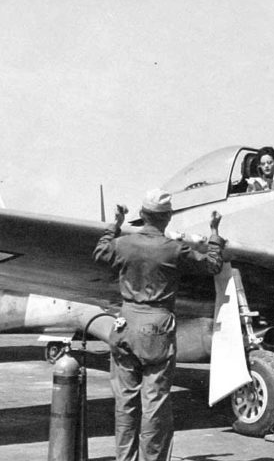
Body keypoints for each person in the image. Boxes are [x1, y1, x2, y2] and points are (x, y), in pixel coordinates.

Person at [93, 189, 225, 461]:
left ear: (142, 215)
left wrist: (116, 223)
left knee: (125, 403)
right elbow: (213, 264)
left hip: (125, 323)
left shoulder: (124, 243)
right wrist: (214, 232)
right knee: (154, 404)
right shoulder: (174, 249)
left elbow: (100, 253)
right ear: (167, 217)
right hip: (157, 328)